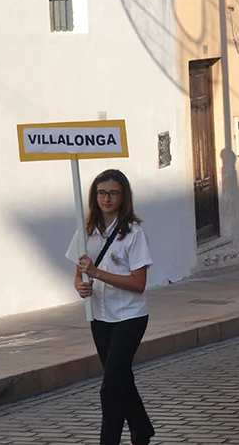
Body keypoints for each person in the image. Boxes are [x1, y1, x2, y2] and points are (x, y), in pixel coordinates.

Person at [65, 169, 155, 445]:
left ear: (123, 197)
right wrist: (80, 285)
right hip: (100, 317)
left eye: (113, 193)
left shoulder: (133, 234)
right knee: (120, 377)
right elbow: (79, 273)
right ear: (94, 196)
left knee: (110, 386)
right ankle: (141, 427)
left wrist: (97, 273)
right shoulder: (86, 232)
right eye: (101, 193)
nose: (106, 198)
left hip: (130, 316)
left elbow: (139, 283)